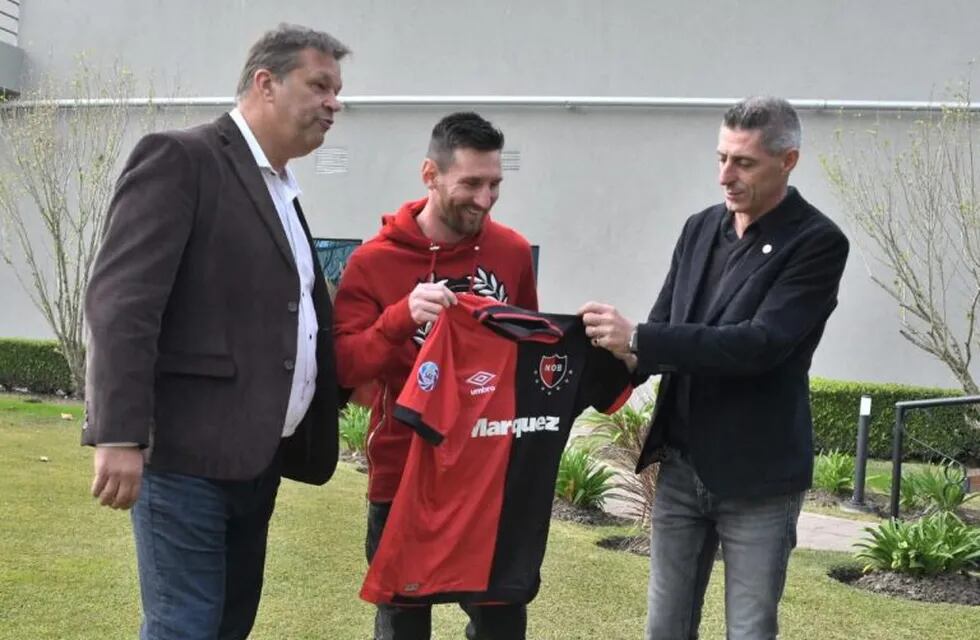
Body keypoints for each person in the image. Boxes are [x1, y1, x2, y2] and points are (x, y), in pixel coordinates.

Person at [83, 24, 349, 640]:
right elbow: (122, 303)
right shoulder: (182, 158)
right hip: (184, 460)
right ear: (265, 83)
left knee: (229, 625)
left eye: (338, 90)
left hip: (255, 462)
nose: (335, 103)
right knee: (186, 628)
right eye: (320, 86)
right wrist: (119, 434)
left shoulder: (281, 188)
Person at [580, 96, 849, 640]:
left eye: (744, 162)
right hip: (679, 470)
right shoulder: (699, 229)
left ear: (788, 160)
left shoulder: (817, 243)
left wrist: (640, 337)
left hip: (759, 481)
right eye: (721, 157)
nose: (725, 175)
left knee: (749, 631)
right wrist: (594, 360)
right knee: (665, 628)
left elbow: (758, 345)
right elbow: (659, 331)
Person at [333, 111, 538, 640]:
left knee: (501, 625)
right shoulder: (372, 263)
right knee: (402, 627)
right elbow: (344, 365)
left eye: (495, 184)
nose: (486, 198)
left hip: (489, 478)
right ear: (430, 174)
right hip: (404, 473)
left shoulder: (512, 252)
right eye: (471, 183)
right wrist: (400, 317)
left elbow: (529, 360)